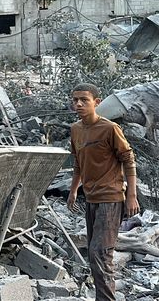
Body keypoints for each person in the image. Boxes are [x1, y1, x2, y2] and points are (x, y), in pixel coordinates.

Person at [67, 83, 139, 301]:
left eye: (84, 100)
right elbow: (78, 163)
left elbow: (128, 160)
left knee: (101, 253)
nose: (78, 104)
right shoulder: (76, 129)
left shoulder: (109, 129)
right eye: (75, 100)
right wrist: (73, 191)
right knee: (94, 253)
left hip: (111, 197)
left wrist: (132, 196)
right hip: (91, 198)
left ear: (96, 103)